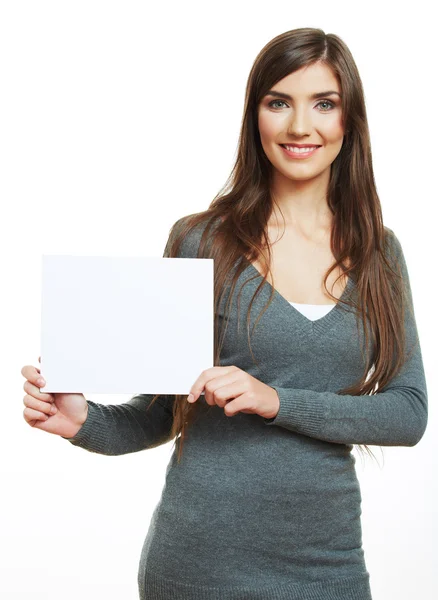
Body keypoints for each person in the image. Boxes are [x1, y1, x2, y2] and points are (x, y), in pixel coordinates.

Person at [21, 27, 428, 600]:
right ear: (255, 115)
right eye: (278, 102)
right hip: (198, 566)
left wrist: (276, 400)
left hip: (326, 567)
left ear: (348, 121)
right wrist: (83, 422)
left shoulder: (379, 252)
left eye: (324, 104)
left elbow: (407, 414)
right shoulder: (201, 240)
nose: (299, 126)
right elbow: (164, 413)